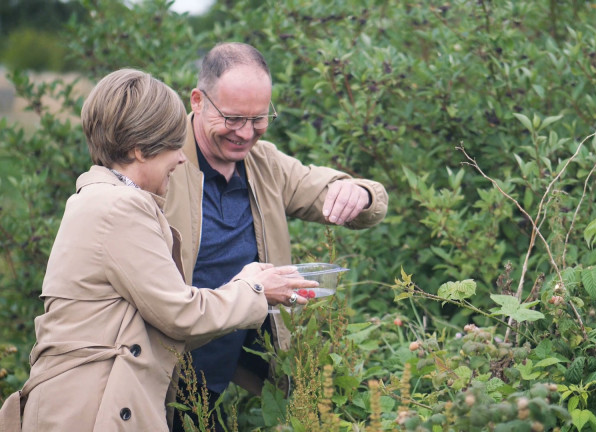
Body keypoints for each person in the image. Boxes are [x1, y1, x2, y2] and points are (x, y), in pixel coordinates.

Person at [0, 69, 317, 432]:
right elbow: (180, 314)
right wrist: (256, 288)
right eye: (173, 145)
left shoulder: (99, 198)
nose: (182, 159)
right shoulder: (119, 208)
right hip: (88, 412)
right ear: (138, 149)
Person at [163, 42, 388, 426]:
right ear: (198, 101)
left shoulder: (264, 163)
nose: (245, 133)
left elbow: (339, 192)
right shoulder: (161, 160)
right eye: (232, 118)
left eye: (259, 119)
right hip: (170, 368)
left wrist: (358, 192)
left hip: (244, 364)